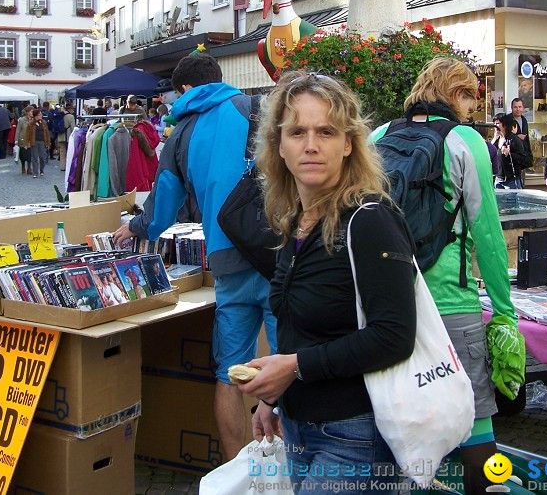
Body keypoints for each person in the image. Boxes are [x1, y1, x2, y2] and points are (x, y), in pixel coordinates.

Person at [239, 72, 415, 492]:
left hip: (357, 434)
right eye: (297, 132)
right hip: (301, 427)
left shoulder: (370, 220)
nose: (311, 145)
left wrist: (294, 369)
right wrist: (273, 397)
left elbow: (394, 336)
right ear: (278, 146)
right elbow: (300, 328)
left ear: (349, 144)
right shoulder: (297, 222)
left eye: (326, 132)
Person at [112, 52, 277, 459]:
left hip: (226, 260)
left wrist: (131, 227)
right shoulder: (258, 108)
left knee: (229, 375)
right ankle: (292, 469)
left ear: (184, 89)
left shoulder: (181, 133)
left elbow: (161, 210)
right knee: (287, 366)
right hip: (278, 256)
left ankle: (233, 469)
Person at [370, 58, 520, 495]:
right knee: (477, 427)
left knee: (398, 422)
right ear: (457, 94)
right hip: (453, 305)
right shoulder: (466, 141)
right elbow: (488, 234)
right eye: (472, 95)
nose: (474, 106)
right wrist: (505, 312)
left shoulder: (379, 137)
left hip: (394, 304)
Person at [497, 114, 531, 189]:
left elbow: (523, 158)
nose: (495, 126)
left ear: (505, 125)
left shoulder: (514, 139)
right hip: (499, 178)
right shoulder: (497, 139)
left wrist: (509, 154)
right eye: (495, 123)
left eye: (498, 123)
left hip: (511, 180)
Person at [24, 108, 50, 178]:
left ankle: (42, 170)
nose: (40, 116)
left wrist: (48, 143)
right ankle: (35, 172)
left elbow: (47, 133)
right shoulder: (31, 124)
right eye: (39, 115)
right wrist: (26, 143)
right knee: (34, 158)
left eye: (41, 115)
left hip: (42, 141)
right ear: (35, 116)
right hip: (34, 142)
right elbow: (27, 134)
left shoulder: (44, 123)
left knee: (42, 157)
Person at [15, 105, 34, 175]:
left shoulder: (33, 120)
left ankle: (29, 167)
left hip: (30, 140)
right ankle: (23, 166)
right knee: (23, 155)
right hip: (22, 139)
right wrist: (16, 139)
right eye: (32, 111)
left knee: (29, 154)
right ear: (28, 112)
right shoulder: (22, 120)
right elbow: (18, 130)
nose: (33, 112)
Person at [57, 104, 76, 171]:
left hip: (60, 135)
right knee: (69, 152)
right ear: (69, 109)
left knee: (62, 152)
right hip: (68, 136)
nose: (73, 110)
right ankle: (68, 166)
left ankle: (62, 166)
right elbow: (73, 128)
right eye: (72, 109)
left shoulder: (60, 115)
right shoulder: (71, 117)